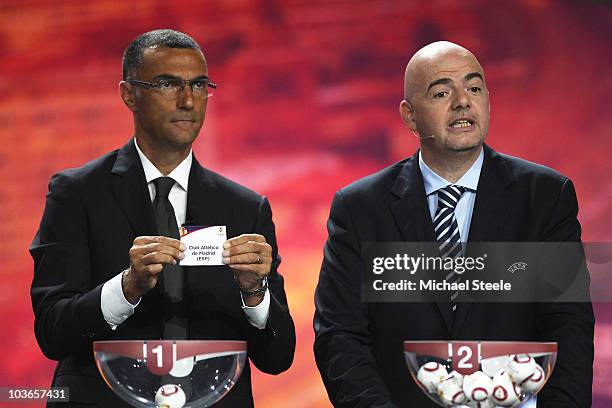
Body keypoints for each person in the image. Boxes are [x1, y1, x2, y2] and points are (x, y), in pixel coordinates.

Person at [313, 41, 594, 407]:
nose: (463, 101)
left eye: (474, 88)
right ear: (410, 116)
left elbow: (569, 326)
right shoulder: (360, 208)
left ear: (488, 101)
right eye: (442, 91)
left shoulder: (544, 197)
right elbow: (341, 336)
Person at [30, 29, 295, 407]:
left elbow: (277, 357)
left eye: (199, 85)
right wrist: (127, 288)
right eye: (168, 84)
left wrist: (254, 292)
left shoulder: (245, 208)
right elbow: (52, 332)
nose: (188, 100)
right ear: (128, 94)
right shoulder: (77, 194)